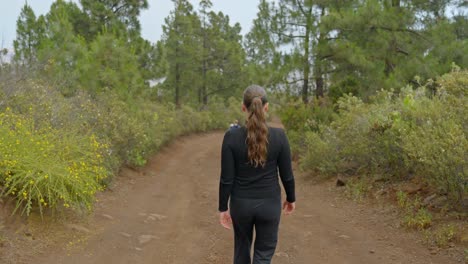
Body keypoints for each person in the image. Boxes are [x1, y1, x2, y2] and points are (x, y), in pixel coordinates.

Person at [218, 85, 296, 264]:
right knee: (263, 255)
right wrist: (290, 198)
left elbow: (226, 178)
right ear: (266, 107)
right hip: (269, 205)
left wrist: (223, 207)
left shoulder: (231, 137)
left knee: (241, 251)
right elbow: (287, 174)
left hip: (241, 204)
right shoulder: (279, 136)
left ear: (243, 107)